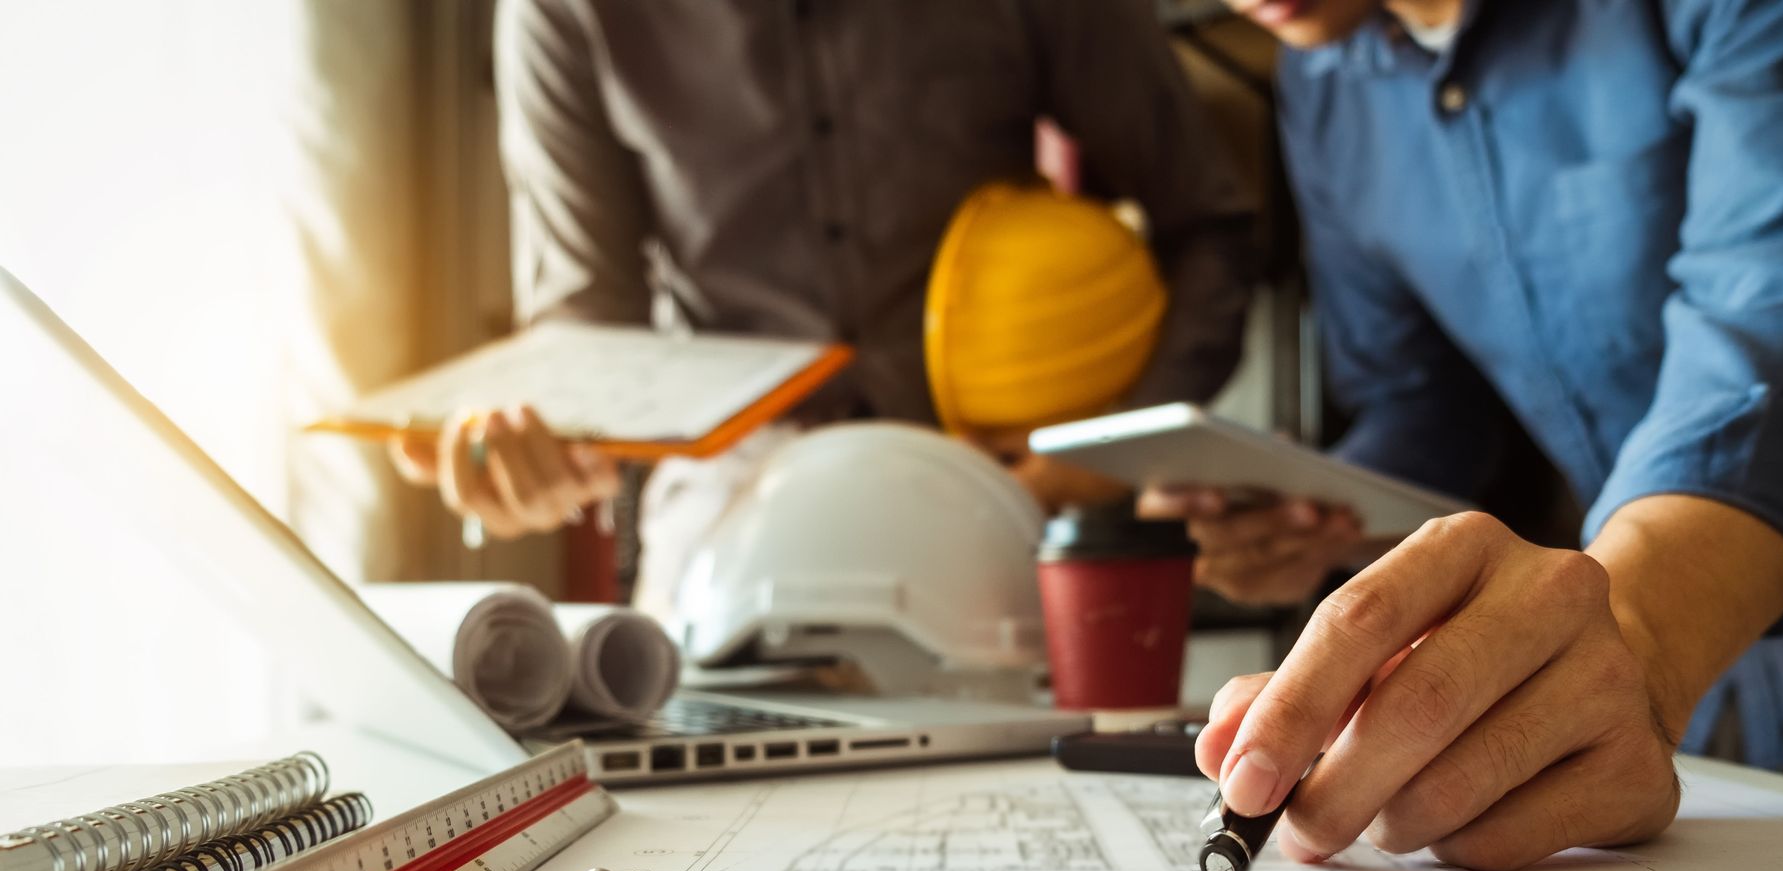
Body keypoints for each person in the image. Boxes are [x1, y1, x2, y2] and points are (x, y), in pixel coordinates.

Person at [1151, 0, 1783, 869]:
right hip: (1610, 730)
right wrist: (1315, 512)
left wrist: (1630, 635)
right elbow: (1424, 402)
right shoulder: (1324, 80)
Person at [391, 0, 1257, 551]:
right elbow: (589, 324)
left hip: (1006, 486)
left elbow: (1210, 225)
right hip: (729, 501)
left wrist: (1112, 455)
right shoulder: (558, 10)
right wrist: (533, 450)